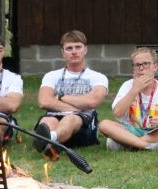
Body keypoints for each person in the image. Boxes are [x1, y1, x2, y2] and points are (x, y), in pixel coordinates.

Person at [33, 30, 108, 159]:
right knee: (47, 120)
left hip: (82, 125)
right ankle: (52, 145)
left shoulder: (97, 77)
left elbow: (92, 101)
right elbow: (44, 101)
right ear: (63, 52)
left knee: (70, 119)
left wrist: (61, 97)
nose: (74, 51)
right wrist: (77, 106)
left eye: (78, 47)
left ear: (85, 49)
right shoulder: (52, 75)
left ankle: (49, 139)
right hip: (55, 116)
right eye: (69, 48)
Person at [98, 47, 158, 151]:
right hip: (130, 130)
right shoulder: (127, 86)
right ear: (133, 68)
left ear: (155, 67)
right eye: (137, 65)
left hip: (154, 132)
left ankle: (128, 143)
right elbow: (117, 113)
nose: (141, 68)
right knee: (104, 125)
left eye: (146, 64)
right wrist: (135, 89)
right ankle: (148, 146)